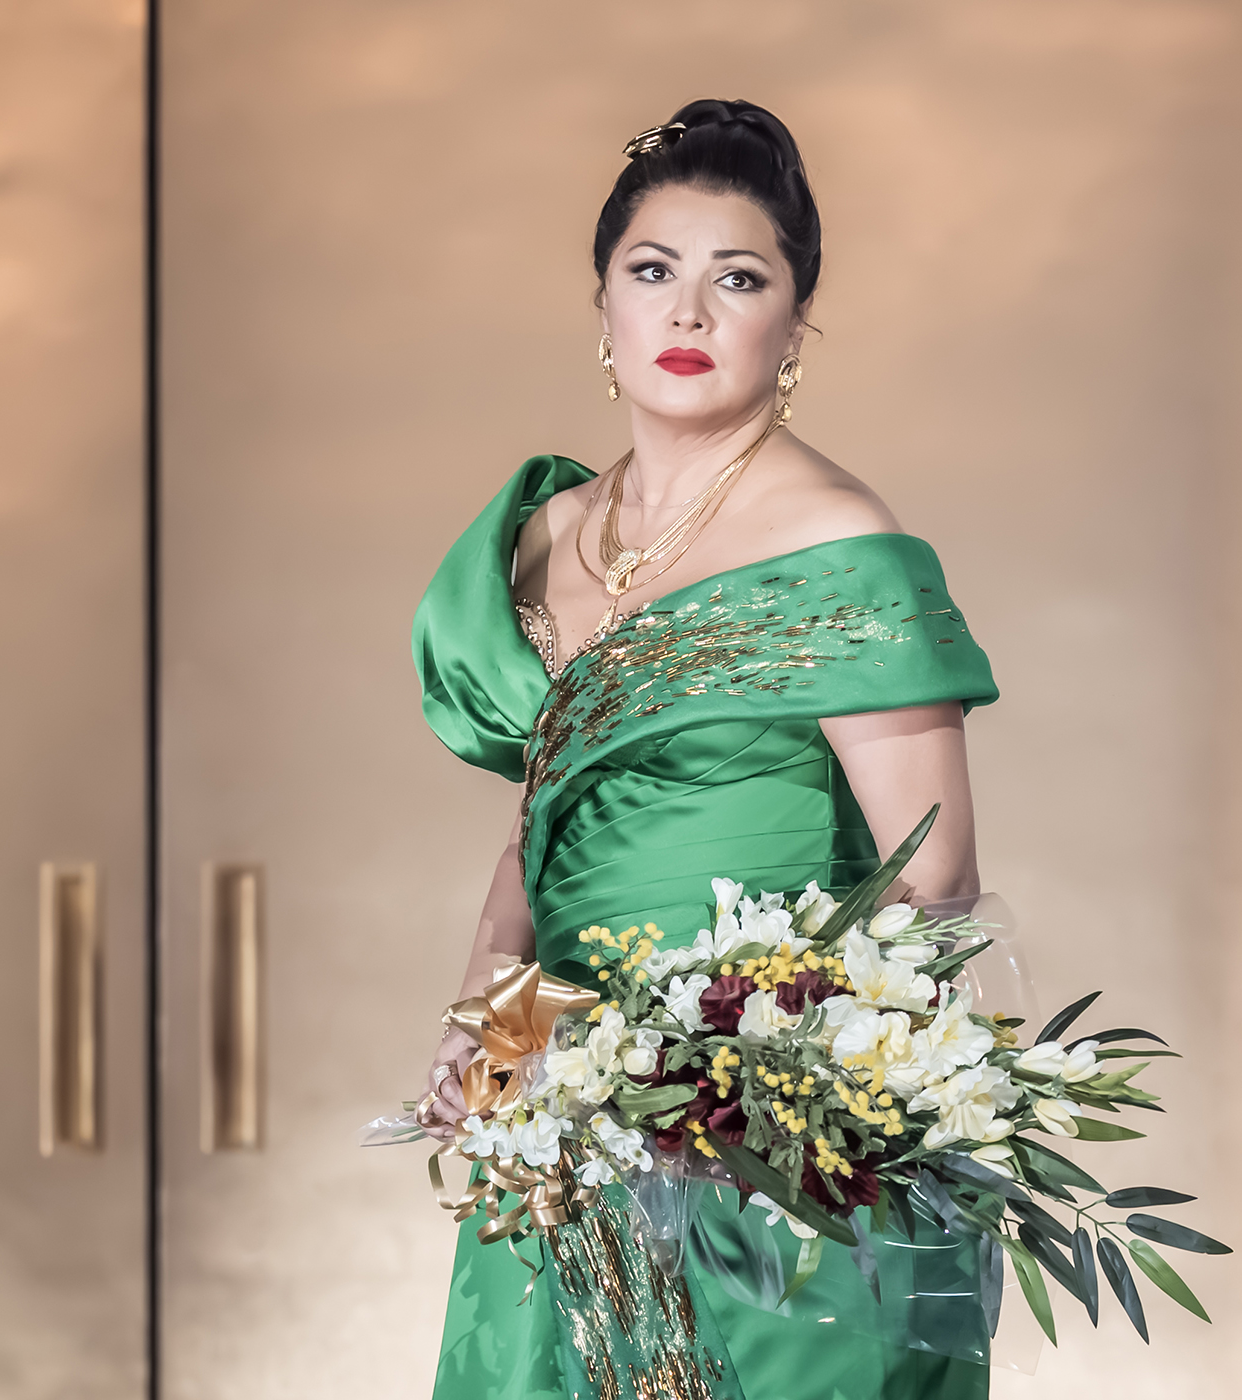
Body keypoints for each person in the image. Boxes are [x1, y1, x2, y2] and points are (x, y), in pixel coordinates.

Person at [409, 98, 997, 1400]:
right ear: (603, 309)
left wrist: (738, 1081)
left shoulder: (835, 540)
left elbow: (934, 879)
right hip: (565, 1124)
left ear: (795, 324)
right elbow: (552, 828)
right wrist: (489, 1028)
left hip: (772, 1148)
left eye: (739, 279)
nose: (688, 312)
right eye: (652, 271)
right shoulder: (551, 537)